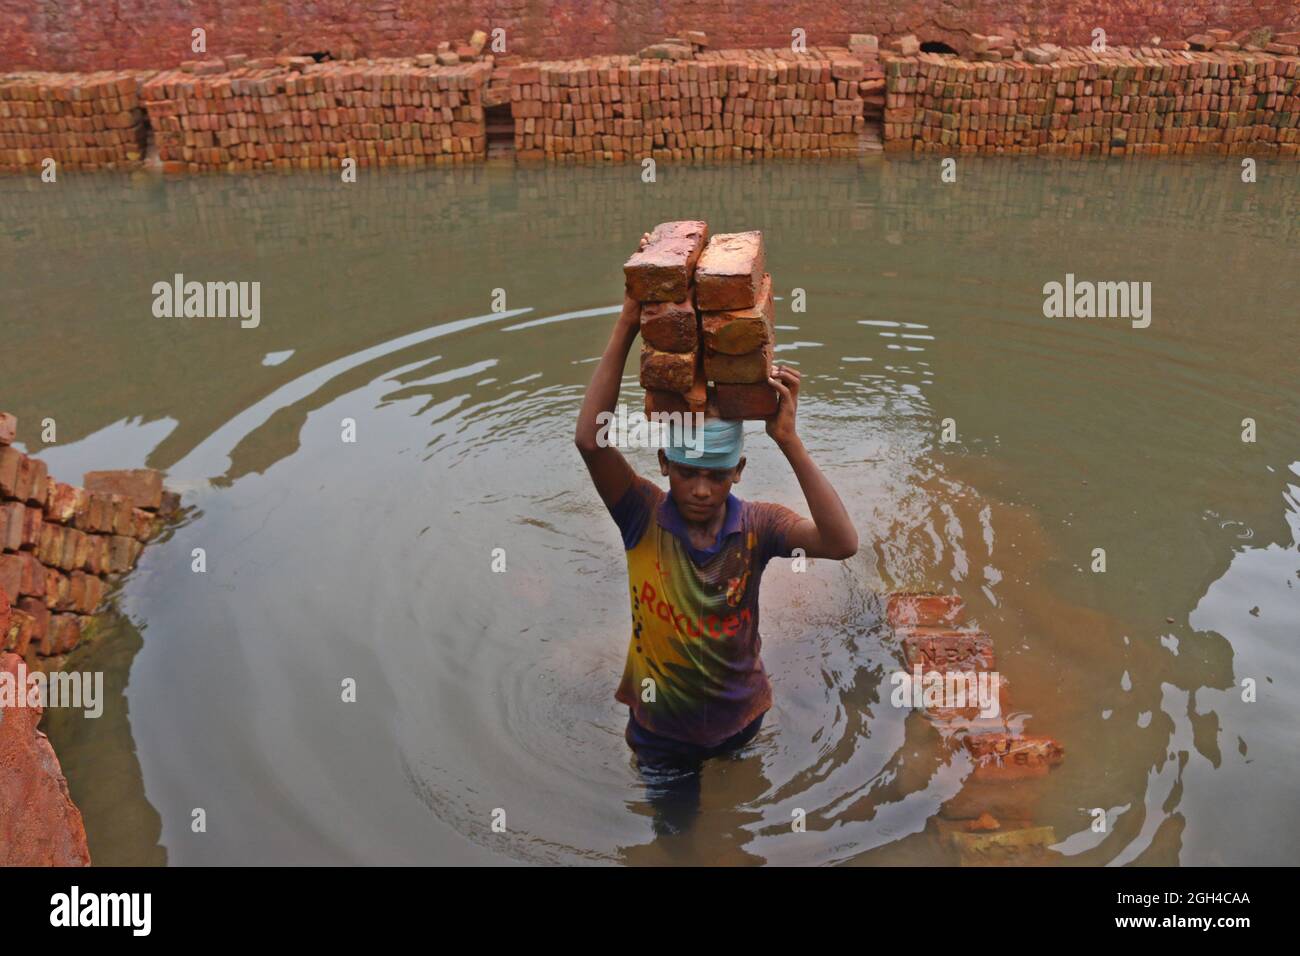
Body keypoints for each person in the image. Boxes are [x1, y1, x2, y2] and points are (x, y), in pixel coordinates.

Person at [574, 292, 859, 834]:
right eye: (685, 473)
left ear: (739, 471)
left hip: (740, 719)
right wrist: (628, 323)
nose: (701, 490)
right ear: (664, 463)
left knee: (735, 829)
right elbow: (590, 441)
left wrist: (790, 441)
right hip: (660, 731)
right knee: (676, 837)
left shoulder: (758, 526)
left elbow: (841, 543)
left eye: (717, 476)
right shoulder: (642, 515)